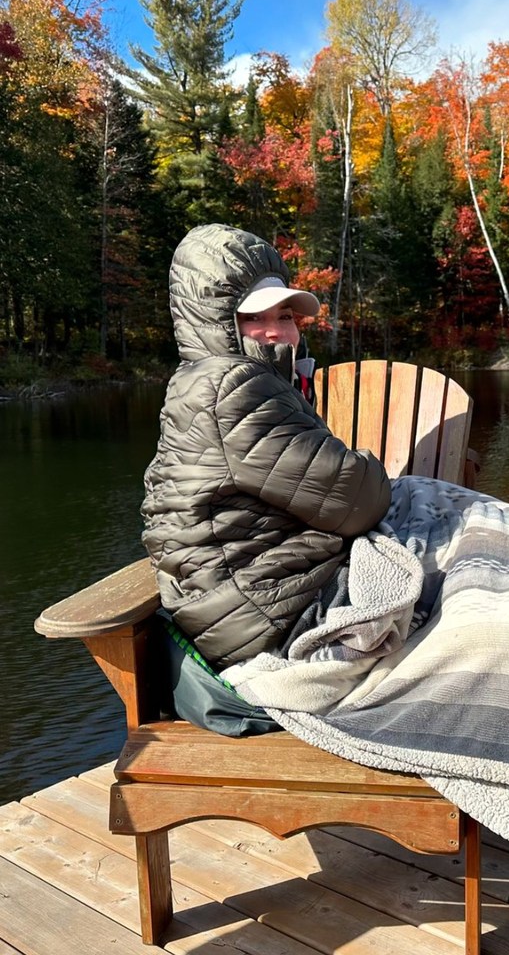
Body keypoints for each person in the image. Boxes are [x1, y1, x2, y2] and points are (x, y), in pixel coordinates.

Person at [141, 223, 391, 671]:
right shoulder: (233, 387)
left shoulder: (206, 381)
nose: (276, 331)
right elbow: (357, 500)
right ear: (214, 322)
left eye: (286, 316)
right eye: (253, 318)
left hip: (239, 602)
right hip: (261, 616)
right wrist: (372, 467)